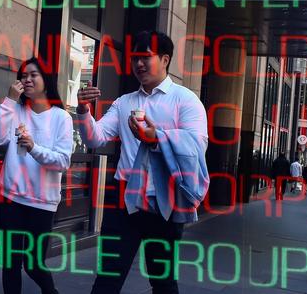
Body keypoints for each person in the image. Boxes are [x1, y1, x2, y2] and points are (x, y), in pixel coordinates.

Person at [77, 31, 209, 294]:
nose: (138, 64)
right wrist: (83, 111)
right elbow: (95, 138)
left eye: (145, 57)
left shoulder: (185, 100)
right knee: (107, 280)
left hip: (164, 201)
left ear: (165, 59)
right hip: (123, 200)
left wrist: (156, 137)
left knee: (162, 282)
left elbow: (197, 146)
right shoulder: (125, 102)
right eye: (135, 57)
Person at [0, 58, 73, 294]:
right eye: (23, 75)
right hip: (10, 199)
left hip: (41, 203)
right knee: (10, 264)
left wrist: (35, 148)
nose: (27, 79)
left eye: (33, 75)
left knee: (34, 264)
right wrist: (9, 101)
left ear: (47, 80)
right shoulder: (14, 109)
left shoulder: (61, 117)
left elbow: (63, 162)